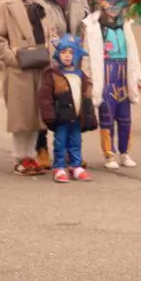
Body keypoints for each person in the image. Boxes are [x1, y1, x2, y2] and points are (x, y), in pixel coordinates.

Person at [0, 0, 53, 176]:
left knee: (37, 113)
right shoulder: (5, 5)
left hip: (41, 64)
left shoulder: (40, 4)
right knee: (21, 115)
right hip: (20, 67)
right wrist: (13, 59)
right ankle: (20, 158)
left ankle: (32, 156)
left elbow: (49, 32)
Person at [34, 0, 90, 169]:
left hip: (72, 51)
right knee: (47, 101)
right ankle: (42, 149)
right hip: (49, 51)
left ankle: (69, 152)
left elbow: (84, 11)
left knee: (70, 103)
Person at [82, 0, 141, 171]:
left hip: (123, 74)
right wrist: (89, 77)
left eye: (117, 4)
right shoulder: (94, 27)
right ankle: (109, 154)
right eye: (110, 3)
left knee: (125, 118)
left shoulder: (125, 25)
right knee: (107, 117)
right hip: (105, 74)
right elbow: (86, 54)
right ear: (103, 4)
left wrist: (138, 77)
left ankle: (125, 152)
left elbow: (134, 53)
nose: (114, 8)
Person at [37, 34, 97, 183]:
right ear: (58, 55)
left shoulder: (81, 75)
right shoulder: (53, 75)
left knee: (76, 142)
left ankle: (76, 166)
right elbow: (45, 97)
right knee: (60, 142)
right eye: (64, 52)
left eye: (71, 53)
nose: (67, 56)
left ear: (76, 55)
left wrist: (89, 115)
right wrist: (49, 115)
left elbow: (86, 97)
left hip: (76, 118)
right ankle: (59, 166)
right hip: (61, 118)